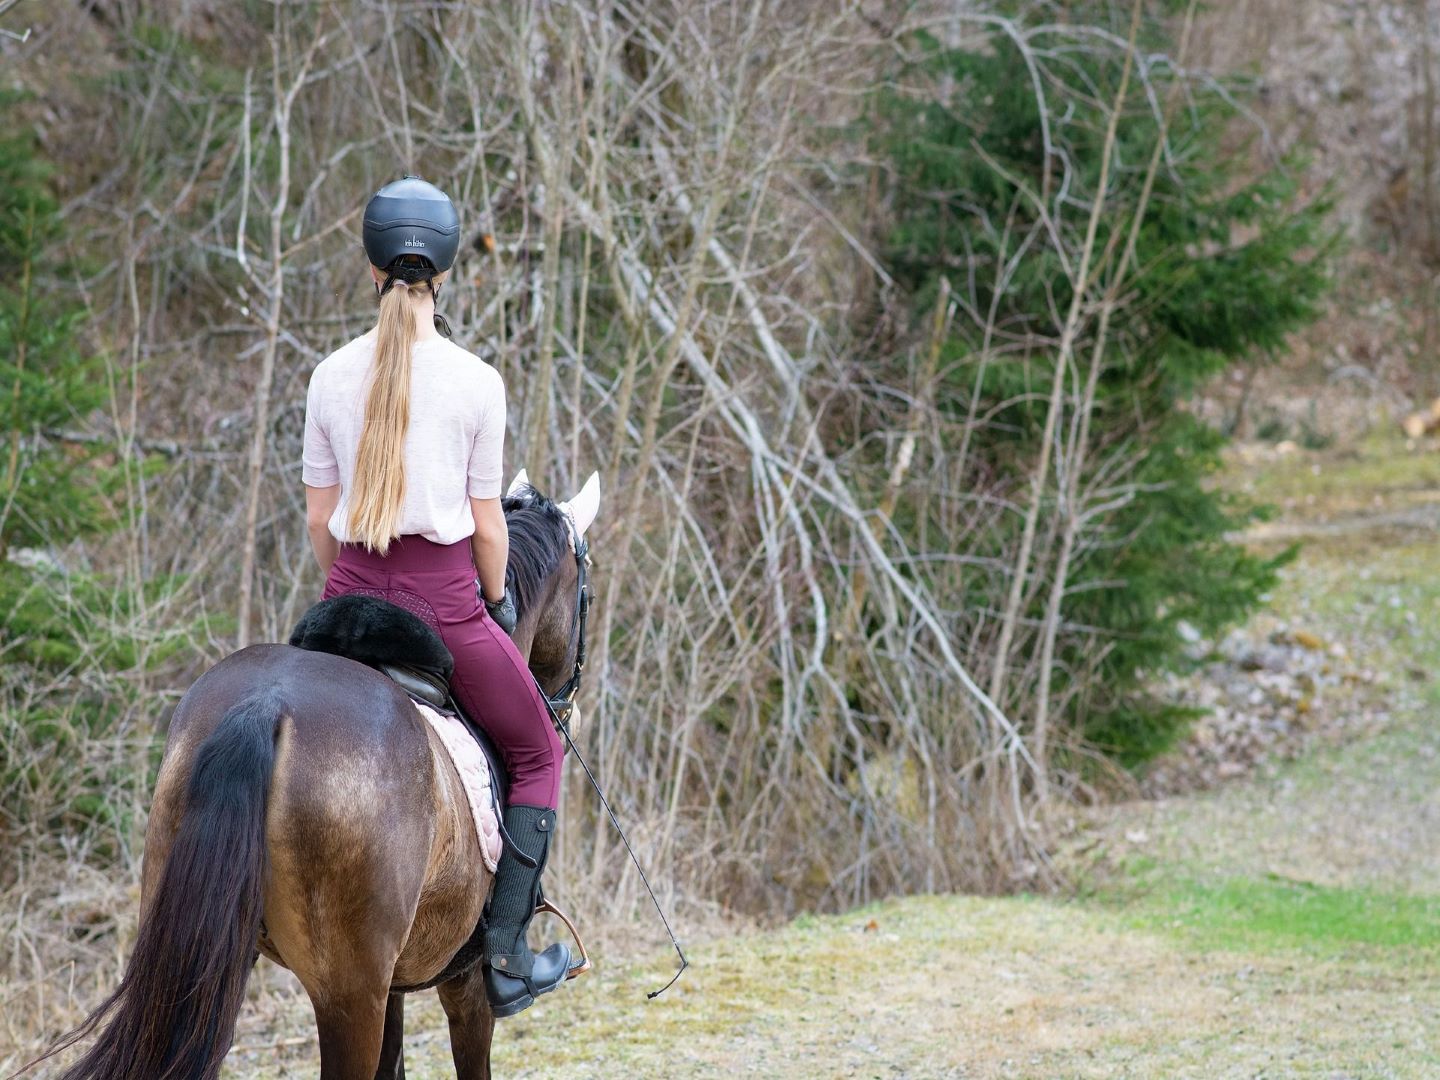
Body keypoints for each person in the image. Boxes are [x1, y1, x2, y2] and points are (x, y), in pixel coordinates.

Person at [300, 175, 570, 1018]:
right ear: (445, 274)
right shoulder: (476, 381)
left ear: (370, 267)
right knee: (538, 754)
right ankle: (504, 957)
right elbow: (491, 530)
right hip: (444, 602)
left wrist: (343, 593)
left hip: (345, 600)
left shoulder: (329, 376)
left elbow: (320, 521)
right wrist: (492, 602)